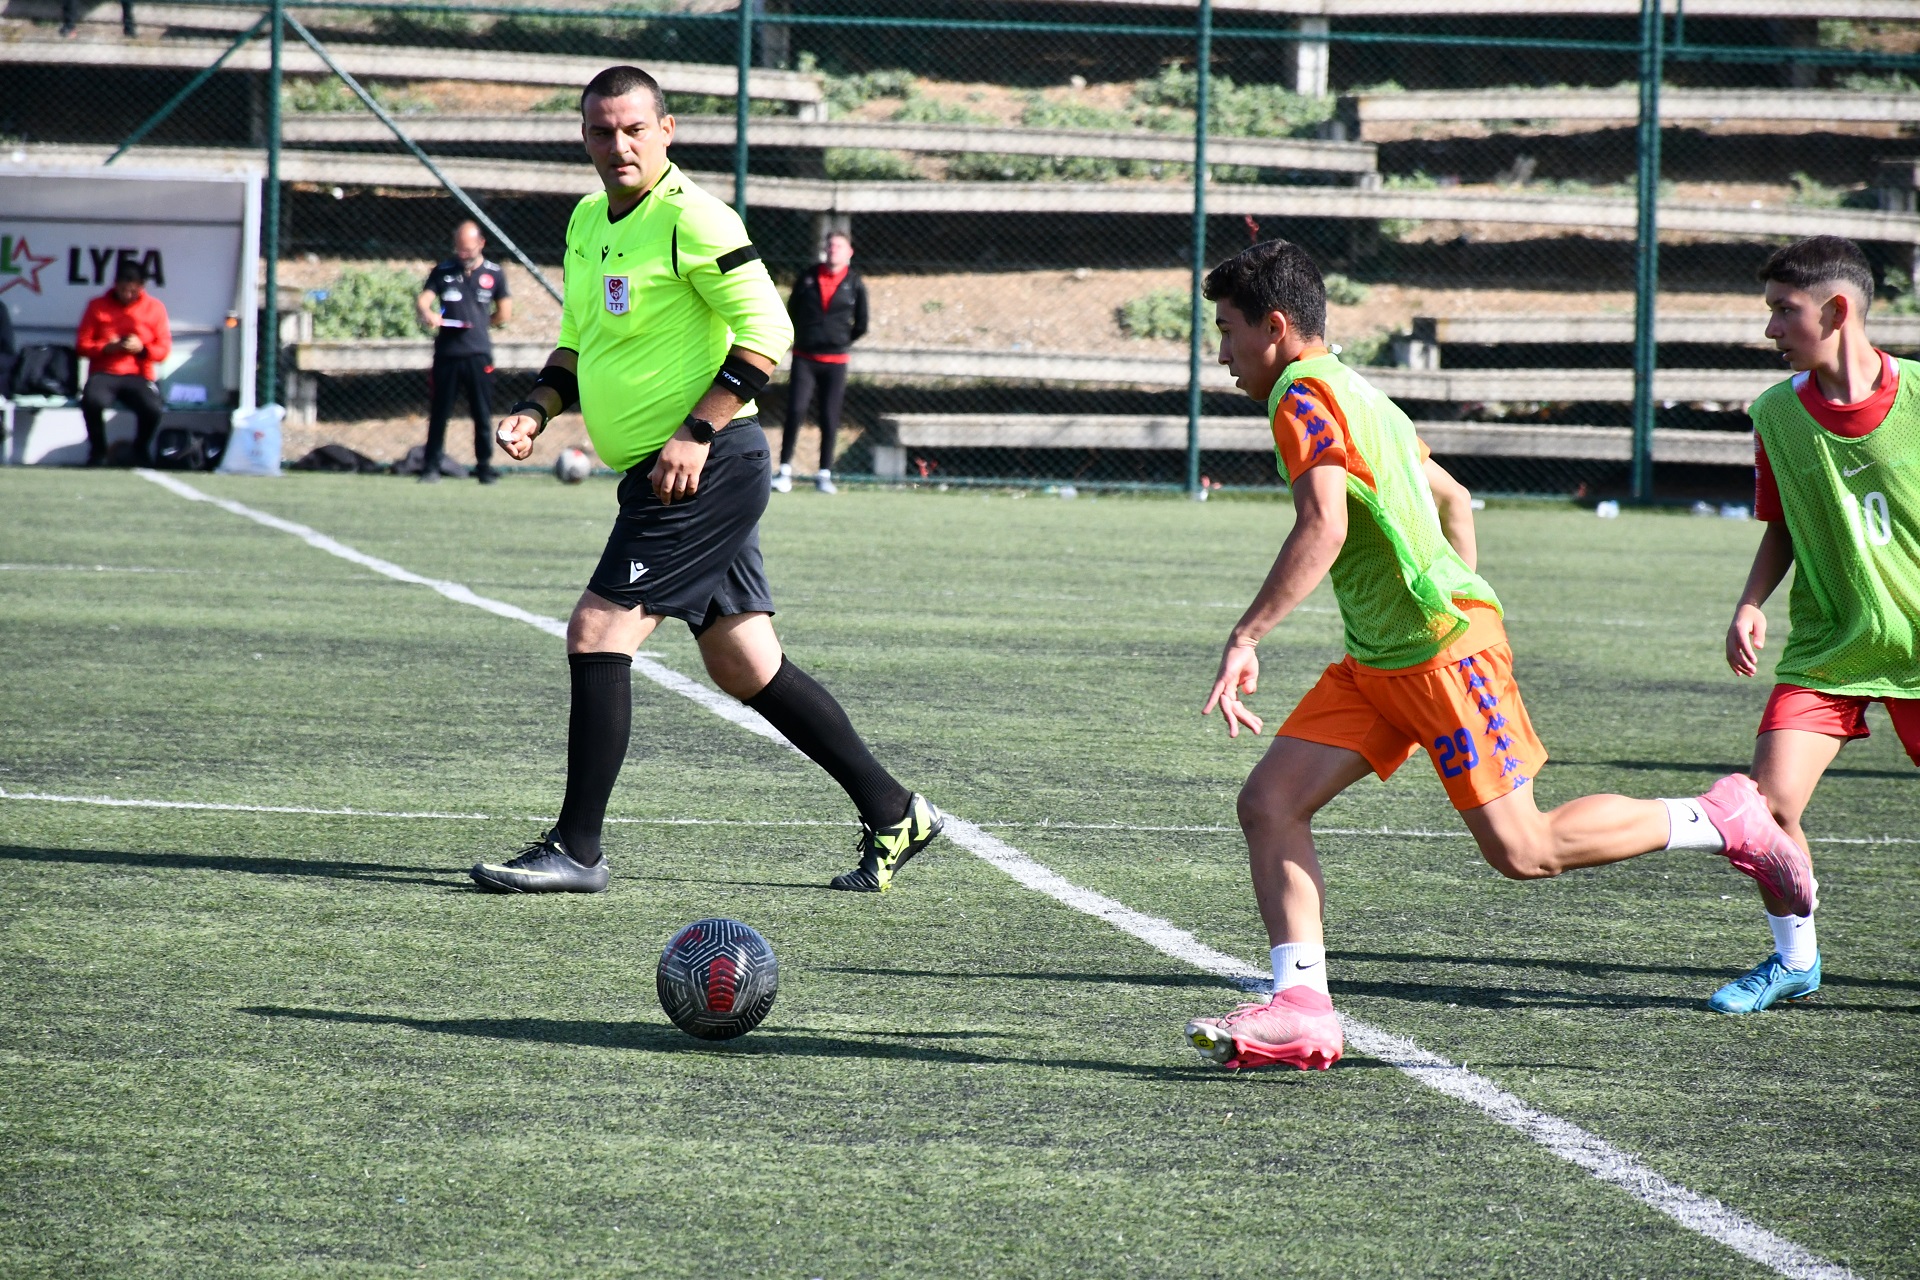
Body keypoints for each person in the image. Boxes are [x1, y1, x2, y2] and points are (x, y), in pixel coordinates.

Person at [1179, 239, 1816, 1072]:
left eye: (1227, 331)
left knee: (1525, 850)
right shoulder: (1360, 393)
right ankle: (1302, 1006)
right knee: (1270, 803)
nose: (1222, 354)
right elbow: (1454, 498)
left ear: (1275, 326)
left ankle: (1718, 816)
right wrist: (1455, 594)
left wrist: (1247, 636)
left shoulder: (1302, 396)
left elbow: (1324, 524)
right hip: (1382, 661)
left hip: (1439, 659)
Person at [477, 65, 941, 895]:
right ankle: (894, 811)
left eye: (633, 129)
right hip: (664, 471)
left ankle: (577, 851)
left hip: (703, 467)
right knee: (743, 662)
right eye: (601, 131)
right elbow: (578, 339)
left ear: (667, 131)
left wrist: (697, 432)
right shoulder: (587, 220)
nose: (618, 145)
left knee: (597, 631)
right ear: (583, 136)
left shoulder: (695, 216)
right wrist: (535, 410)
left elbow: (769, 331)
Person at [1709, 236, 1919, 1015]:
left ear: (1835, 311)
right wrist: (1750, 602)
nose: (1769, 329)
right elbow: (1783, 522)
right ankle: (1795, 961)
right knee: (1767, 810)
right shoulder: (1774, 413)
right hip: (1831, 644)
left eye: (1782, 311)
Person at [416, 220, 512, 484]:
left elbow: (504, 313)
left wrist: (482, 323)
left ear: (481, 244)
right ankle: (431, 466)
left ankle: (484, 467)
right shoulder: (442, 271)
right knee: (439, 412)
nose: (463, 254)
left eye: (468, 249)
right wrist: (428, 313)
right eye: (459, 248)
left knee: (482, 412)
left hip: (478, 353)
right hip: (447, 354)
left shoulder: (495, 273)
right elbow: (424, 300)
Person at [774, 230, 867, 495]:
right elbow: (792, 310)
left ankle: (824, 474)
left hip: (835, 360)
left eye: (839, 246)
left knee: (830, 415)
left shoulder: (855, 283)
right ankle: (784, 471)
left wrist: (839, 340)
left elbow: (861, 323)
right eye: (830, 245)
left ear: (849, 252)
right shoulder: (807, 277)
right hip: (805, 358)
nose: (833, 249)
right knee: (796, 410)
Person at [75, 258, 170, 467]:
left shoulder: (155, 308)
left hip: (139, 375)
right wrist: (107, 347)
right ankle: (98, 451)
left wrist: (142, 349)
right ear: (115, 284)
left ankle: (140, 449)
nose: (127, 295)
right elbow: (82, 345)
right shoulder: (97, 306)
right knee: (92, 401)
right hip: (105, 373)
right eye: (123, 290)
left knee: (153, 407)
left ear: (142, 287)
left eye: (133, 291)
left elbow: (163, 350)